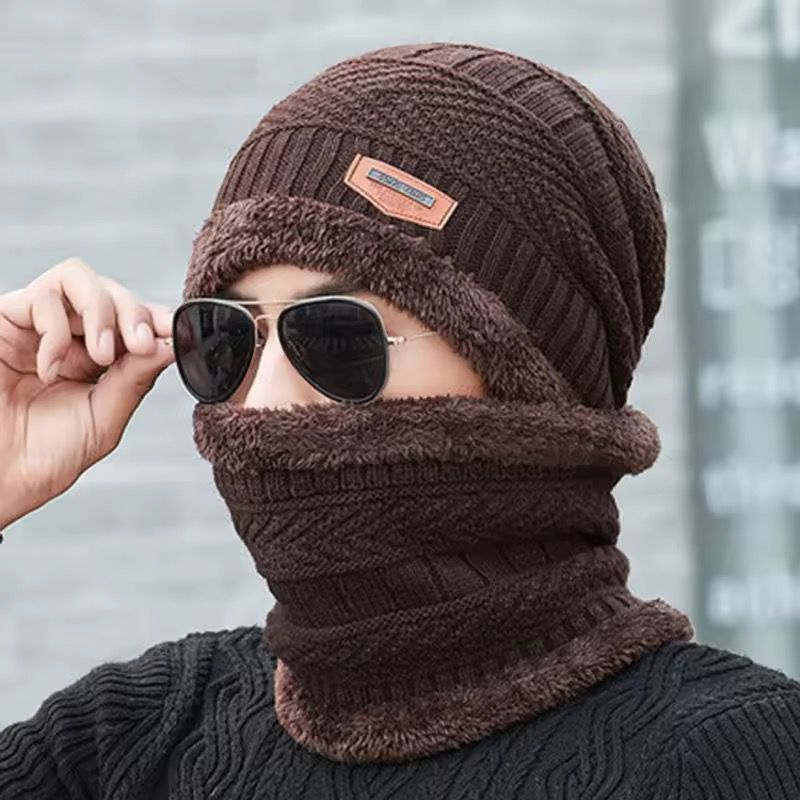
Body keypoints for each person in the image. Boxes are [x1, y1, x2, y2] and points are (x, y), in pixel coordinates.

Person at [1, 41, 799, 800]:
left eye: (334, 336)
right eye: (227, 338)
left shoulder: (736, 755)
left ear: (530, 376)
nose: (264, 400)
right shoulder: (140, 737)